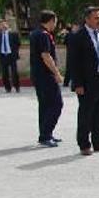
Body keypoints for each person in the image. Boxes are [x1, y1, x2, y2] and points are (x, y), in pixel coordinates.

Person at [71, 7, 99, 156]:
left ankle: (98, 141)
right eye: (96, 18)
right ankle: (84, 143)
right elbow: (74, 62)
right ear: (87, 19)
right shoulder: (79, 36)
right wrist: (78, 83)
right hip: (87, 81)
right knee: (86, 112)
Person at [30, 10, 65, 147]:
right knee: (56, 104)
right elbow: (46, 56)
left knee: (45, 105)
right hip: (46, 75)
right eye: (55, 21)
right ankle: (46, 134)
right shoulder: (44, 35)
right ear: (51, 21)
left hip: (38, 74)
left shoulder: (35, 33)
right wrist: (56, 73)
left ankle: (45, 134)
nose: (55, 25)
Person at [0, 19, 21, 93]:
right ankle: (7, 88)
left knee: (14, 72)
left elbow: (18, 43)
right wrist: (1, 51)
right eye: (1, 25)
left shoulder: (13, 34)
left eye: (4, 24)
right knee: (4, 73)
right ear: (0, 26)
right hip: (3, 55)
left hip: (11, 55)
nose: (3, 26)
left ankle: (17, 86)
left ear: (7, 25)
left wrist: (15, 51)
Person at [63, 24, 79, 88]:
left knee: (69, 68)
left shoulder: (69, 35)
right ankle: (72, 83)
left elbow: (65, 43)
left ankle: (66, 83)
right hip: (74, 53)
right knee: (73, 68)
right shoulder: (77, 35)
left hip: (70, 53)